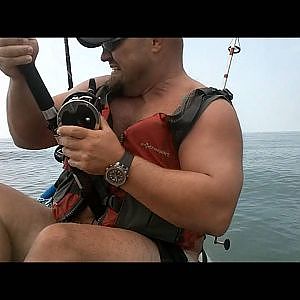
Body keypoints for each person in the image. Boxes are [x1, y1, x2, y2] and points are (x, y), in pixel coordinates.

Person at [0, 37, 243, 262]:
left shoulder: (209, 112)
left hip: (159, 249)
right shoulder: (96, 91)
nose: (104, 56)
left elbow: (216, 213)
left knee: (59, 243)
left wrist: (116, 162)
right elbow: (28, 136)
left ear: (156, 41)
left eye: (112, 44)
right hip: (68, 224)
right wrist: (20, 77)